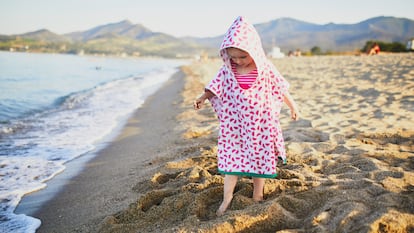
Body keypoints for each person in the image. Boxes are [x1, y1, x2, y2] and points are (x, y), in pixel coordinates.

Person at [193, 16, 299, 216]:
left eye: (243, 57)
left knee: (260, 159)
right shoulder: (227, 70)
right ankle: (227, 198)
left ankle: (258, 194)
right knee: (231, 158)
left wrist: (293, 106)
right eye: (233, 57)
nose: (238, 61)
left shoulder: (265, 68)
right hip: (235, 124)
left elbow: (281, 88)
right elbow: (215, 87)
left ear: (254, 51)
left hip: (261, 124)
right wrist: (202, 97)